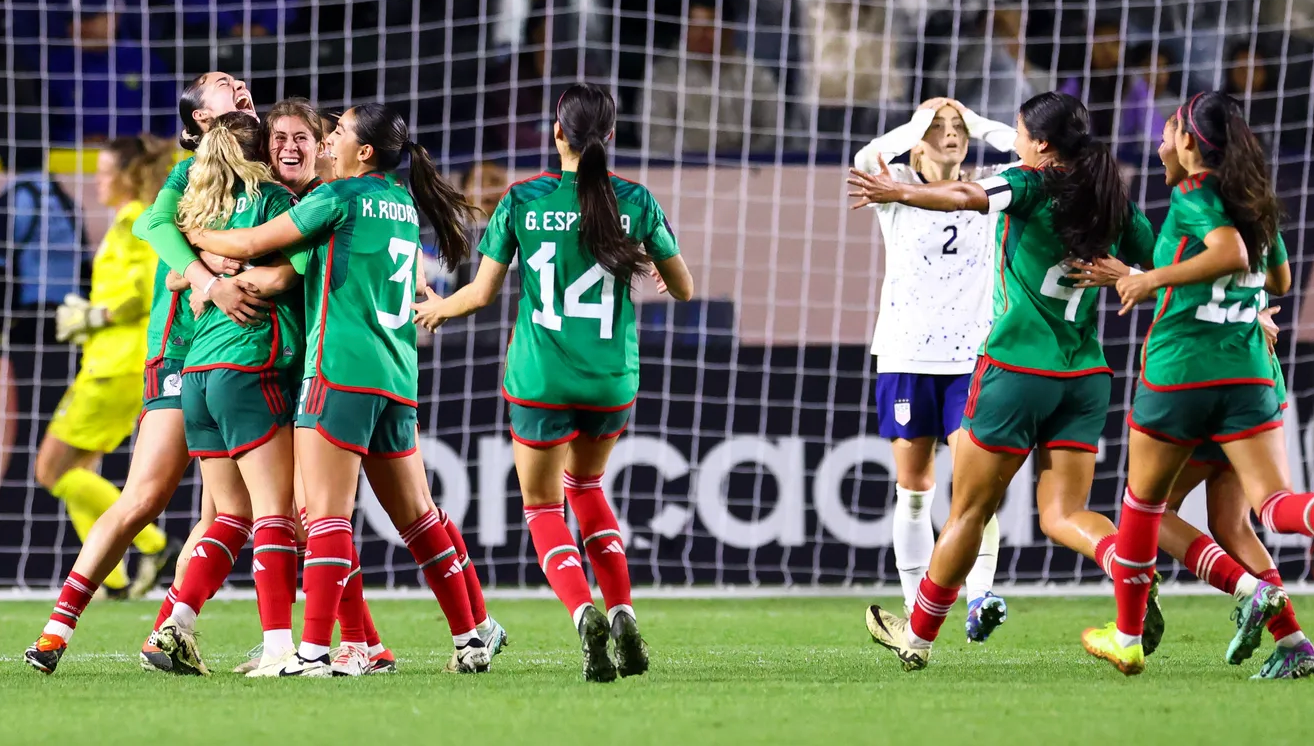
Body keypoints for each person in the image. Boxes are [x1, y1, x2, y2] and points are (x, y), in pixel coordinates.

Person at [846, 92, 1157, 672]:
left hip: (1015, 371)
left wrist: (902, 192)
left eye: (1017, 129)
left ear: (1040, 144)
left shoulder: (1029, 183)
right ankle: (1126, 569)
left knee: (967, 510)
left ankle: (917, 635)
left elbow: (967, 193)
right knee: (1061, 514)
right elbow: (1168, 264)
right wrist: (1132, 275)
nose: (1010, 138)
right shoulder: (1112, 197)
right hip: (1086, 376)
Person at [186, 102, 491, 677]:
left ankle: (314, 651)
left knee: (323, 517)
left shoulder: (338, 198)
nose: (329, 140)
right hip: (397, 378)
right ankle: (471, 638)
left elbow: (253, 243)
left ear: (365, 150)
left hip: (338, 374)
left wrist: (194, 231)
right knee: (420, 519)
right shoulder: (403, 204)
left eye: (340, 132)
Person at [413, 83, 694, 682]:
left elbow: (482, 293)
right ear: (610, 138)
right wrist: (662, 274)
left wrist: (439, 309)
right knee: (588, 487)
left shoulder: (522, 200)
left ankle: (583, 612)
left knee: (544, 506)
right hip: (609, 380)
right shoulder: (636, 201)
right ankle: (622, 611)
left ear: (557, 133)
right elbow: (685, 287)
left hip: (541, 378)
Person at [24, 70, 263, 676]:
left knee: (222, 512)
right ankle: (58, 628)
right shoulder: (188, 176)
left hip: (237, 349)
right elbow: (154, 226)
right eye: (218, 83)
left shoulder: (267, 167)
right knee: (150, 497)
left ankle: (168, 632)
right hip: (181, 351)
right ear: (199, 121)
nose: (237, 83)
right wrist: (205, 275)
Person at [1083, 92, 1314, 676]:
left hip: (1183, 375)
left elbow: (1227, 251)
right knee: (1267, 510)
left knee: (1141, 506)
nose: (1161, 142)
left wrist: (1148, 279)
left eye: (1167, 131)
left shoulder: (1193, 195)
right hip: (1250, 379)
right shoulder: (1255, 202)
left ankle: (1128, 638)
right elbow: (1279, 279)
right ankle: (1293, 644)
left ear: (1189, 143)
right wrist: (1244, 302)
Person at [142, 112, 304, 677]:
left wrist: (203, 272)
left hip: (197, 377)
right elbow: (293, 272)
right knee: (274, 512)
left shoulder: (201, 210)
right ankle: (281, 646)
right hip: (250, 365)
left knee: (229, 514)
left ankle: (177, 624)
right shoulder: (276, 202)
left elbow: (172, 275)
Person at [852, 96, 1017, 642]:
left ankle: (981, 595)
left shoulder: (990, 188)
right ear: (918, 136)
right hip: (905, 354)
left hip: (971, 358)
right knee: (915, 488)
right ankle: (914, 604)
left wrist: (979, 119)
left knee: (977, 488)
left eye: (958, 128)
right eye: (939, 127)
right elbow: (864, 154)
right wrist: (916, 123)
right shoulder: (891, 185)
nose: (952, 134)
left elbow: (1033, 156)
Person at [32, 134, 179, 604]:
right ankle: (111, 582)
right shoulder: (124, 220)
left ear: (129, 175)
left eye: (104, 171)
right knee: (76, 468)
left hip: (116, 365)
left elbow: (145, 290)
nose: (97, 180)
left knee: (50, 470)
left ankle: (156, 544)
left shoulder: (137, 221)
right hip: (109, 361)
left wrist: (94, 317)